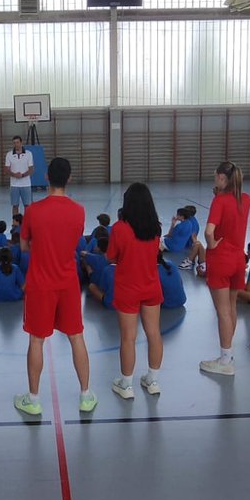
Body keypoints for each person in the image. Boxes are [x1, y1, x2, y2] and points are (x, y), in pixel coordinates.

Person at [16, 156, 96, 416]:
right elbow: (74, 241)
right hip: (68, 283)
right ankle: (85, 395)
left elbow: (24, 246)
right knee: (76, 337)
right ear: (69, 178)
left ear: (47, 177)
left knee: (36, 341)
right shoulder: (78, 211)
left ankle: (34, 399)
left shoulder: (33, 211)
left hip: (40, 284)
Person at [107, 182, 163, 399]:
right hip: (151, 286)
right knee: (154, 333)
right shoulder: (155, 228)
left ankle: (126, 383)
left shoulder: (120, 228)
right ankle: (153, 380)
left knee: (128, 338)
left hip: (128, 288)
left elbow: (111, 256)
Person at [200, 161, 250, 376]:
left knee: (222, 312)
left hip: (221, 260)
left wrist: (211, 245)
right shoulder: (245, 199)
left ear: (222, 178)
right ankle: (228, 353)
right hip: (239, 259)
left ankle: (224, 360)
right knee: (231, 308)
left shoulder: (220, 202)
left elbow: (209, 231)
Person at [5, 135, 34, 216]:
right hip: (14, 185)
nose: (16, 144)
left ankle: (28, 223)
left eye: (17, 142)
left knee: (27, 205)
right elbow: (6, 170)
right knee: (15, 205)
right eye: (14, 143)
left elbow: (31, 169)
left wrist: (23, 175)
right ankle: (15, 223)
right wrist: (14, 174)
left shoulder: (29, 154)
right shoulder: (9, 154)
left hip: (26, 184)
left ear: (21, 143)